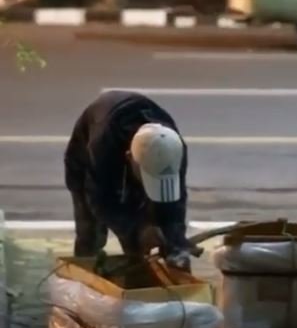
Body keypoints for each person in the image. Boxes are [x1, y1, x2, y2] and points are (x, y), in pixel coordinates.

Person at [64, 90, 201, 270]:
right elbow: (100, 201)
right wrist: (136, 231)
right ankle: (86, 279)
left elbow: (175, 203)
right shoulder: (103, 146)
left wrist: (175, 243)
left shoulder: (172, 147)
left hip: (131, 150)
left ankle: (148, 275)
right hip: (86, 162)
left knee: (165, 239)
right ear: (129, 157)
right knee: (90, 234)